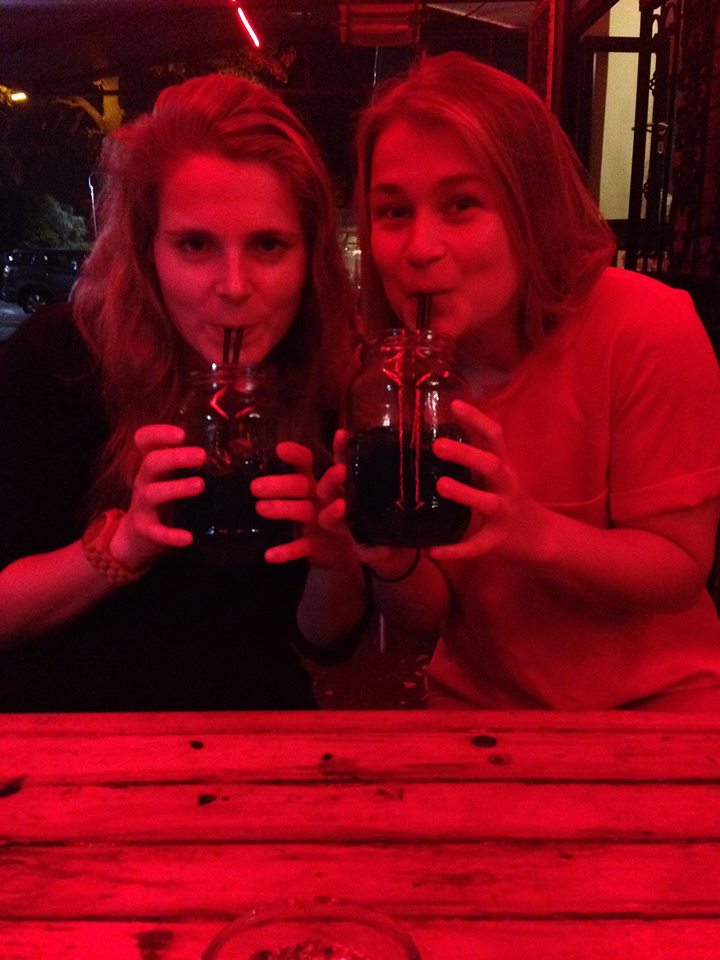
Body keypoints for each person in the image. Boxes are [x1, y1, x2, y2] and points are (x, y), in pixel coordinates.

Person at [304, 52, 720, 711]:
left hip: (654, 707)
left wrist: (532, 531)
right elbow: (426, 616)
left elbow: (678, 570)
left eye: (461, 204)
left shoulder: (645, 327)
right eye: (393, 212)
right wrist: (388, 554)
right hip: (477, 710)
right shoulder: (395, 377)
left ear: (533, 208)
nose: (419, 248)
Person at [0, 73, 366, 711]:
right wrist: (121, 546)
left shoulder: (319, 375)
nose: (234, 286)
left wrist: (333, 559)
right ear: (147, 251)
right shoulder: (59, 359)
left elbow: (326, 641)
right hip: (67, 733)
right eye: (195, 245)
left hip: (253, 730)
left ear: (310, 257)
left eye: (269, 245)